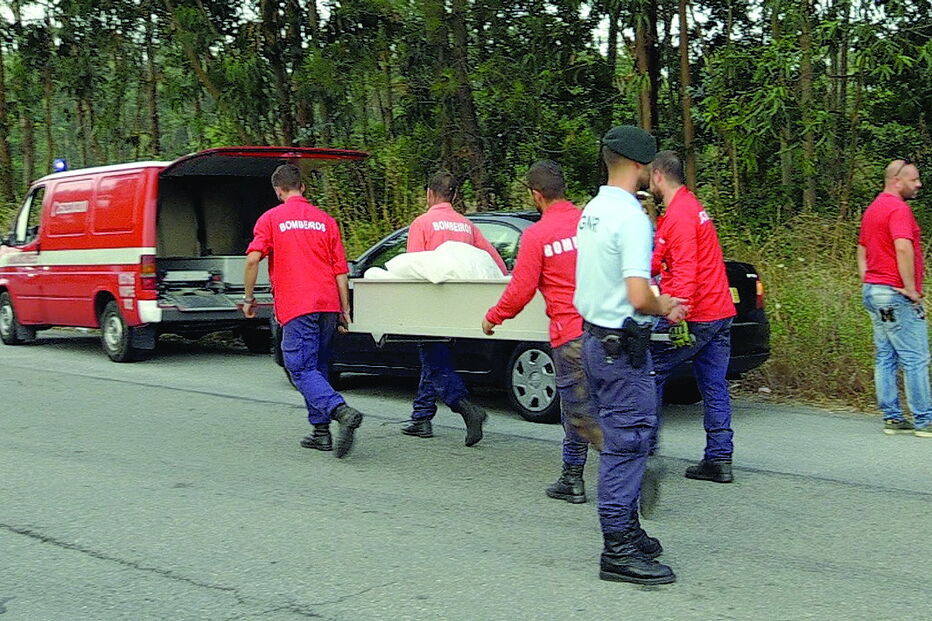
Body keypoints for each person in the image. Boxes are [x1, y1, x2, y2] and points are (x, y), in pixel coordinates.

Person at [575, 125, 687, 585]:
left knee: (623, 440)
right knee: (629, 443)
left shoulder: (593, 210)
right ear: (642, 167)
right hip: (622, 349)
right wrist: (667, 305)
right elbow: (639, 295)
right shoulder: (634, 219)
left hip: (593, 339)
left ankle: (629, 531)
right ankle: (618, 549)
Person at [482, 161, 602, 504]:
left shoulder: (537, 236)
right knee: (597, 405)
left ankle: (628, 463)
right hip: (606, 328)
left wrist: (493, 317)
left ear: (536, 195)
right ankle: (571, 476)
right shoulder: (590, 222)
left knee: (578, 410)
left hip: (570, 335)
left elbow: (520, 291)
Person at [242, 164, 364, 458]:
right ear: (303, 188)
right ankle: (320, 433)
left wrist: (248, 299)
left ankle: (341, 411)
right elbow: (340, 271)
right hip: (327, 305)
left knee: (299, 368)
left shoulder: (271, 219)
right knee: (317, 367)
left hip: (297, 306)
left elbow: (252, 260)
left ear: (278, 190)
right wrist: (344, 310)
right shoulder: (326, 221)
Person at [648, 151, 738, 483]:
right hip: (719, 311)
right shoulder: (688, 208)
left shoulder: (681, 215)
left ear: (658, 176)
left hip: (696, 314)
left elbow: (685, 270)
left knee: (651, 371)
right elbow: (663, 258)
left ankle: (645, 456)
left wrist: (675, 312)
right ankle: (719, 458)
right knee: (714, 384)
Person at [401, 170, 507, 446]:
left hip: (432, 305)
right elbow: (496, 262)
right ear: (456, 196)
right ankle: (421, 417)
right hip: (461, 308)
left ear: (429, 194)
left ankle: (466, 408)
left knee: (435, 361)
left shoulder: (422, 224)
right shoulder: (467, 225)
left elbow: (414, 268)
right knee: (434, 358)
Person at [858, 158, 931, 438]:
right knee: (915, 357)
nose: (919, 184)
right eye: (914, 179)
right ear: (897, 180)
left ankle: (893, 418)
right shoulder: (898, 209)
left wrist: (872, 281)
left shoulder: (874, 208)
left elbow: (862, 251)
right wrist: (911, 289)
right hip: (895, 294)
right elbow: (903, 249)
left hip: (876, 293)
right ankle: (924, 420)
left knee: (886, 355)